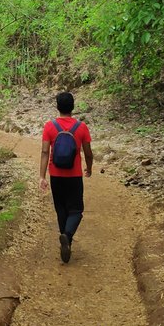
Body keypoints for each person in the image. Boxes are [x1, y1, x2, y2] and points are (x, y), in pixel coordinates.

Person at [39, 91, 93, 263]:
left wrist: (42, 176)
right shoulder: (81, 127)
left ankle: (65, 240)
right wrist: (89, 168)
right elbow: (88, 153)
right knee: (76, 210)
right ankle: (67, 236)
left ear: (57, 106)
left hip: (55, 175)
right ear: (73, 107)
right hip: (74, 176)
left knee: (61, 209)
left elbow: (45, 151)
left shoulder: (49, 126)